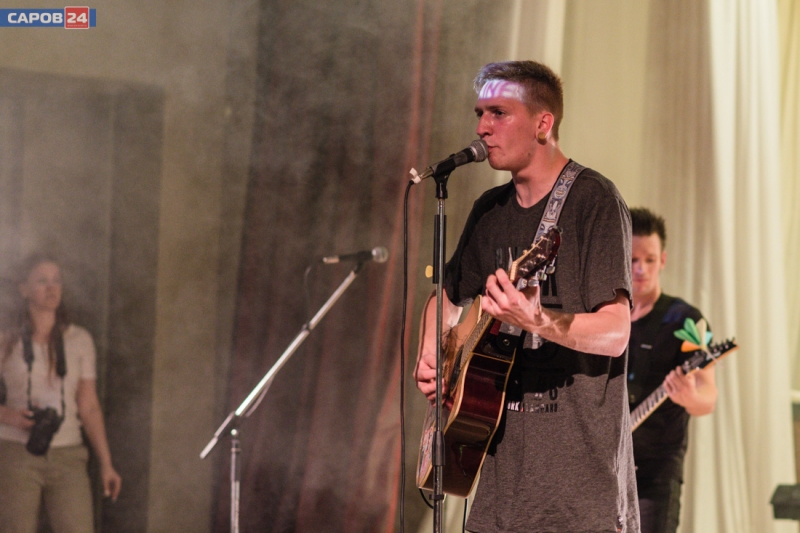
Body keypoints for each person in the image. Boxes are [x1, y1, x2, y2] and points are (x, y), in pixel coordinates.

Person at [414, 60, 638, 532]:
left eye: (499, 112)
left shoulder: (594, 201)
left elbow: (617, 332)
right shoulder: (490, 211)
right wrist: (432, 350)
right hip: (497, 489)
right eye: (480, 113)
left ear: (543, 124)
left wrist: (538, 321)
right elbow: (446, 299)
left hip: (578, 496)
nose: (482, 127)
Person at [0, 254, 121, 533]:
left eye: (56, 280)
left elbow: (89, 407)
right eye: (42, 281)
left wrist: (107, 464)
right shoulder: (7, 340)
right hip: (16, 452)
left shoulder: (79, 340)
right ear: (24, 289)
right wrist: (10, 416)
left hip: (68, 454)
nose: (51, 287)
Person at [627, 208, 717, 533]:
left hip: (656, 472)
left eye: (649, 260)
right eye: (633, 259)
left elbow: (708, 397)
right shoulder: (605, 319)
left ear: (662, 260)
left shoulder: (687, 321)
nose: (641, 269)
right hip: (605, 468)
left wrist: (689, 396)